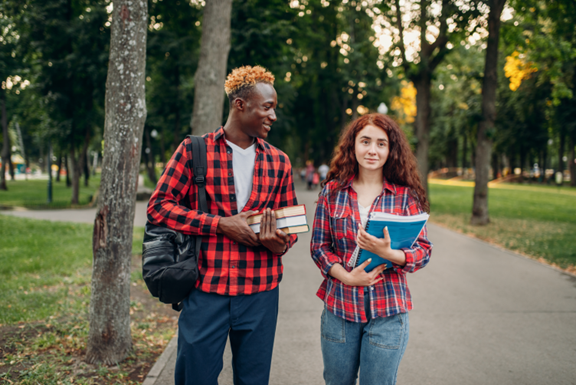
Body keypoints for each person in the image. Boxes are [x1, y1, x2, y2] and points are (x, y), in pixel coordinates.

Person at [147, 65, 299, 385]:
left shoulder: (279, 161)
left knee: (253, 380)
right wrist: (219, 224)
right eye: (267, 108)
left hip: (261, 292)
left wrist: (280, 242)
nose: (273, 116)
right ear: (240, 105)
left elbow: (290, 226)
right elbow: (159, 207)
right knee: (195, 378)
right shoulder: (194, 150)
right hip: (206, 290)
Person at [310, 113, 432, 385]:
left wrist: (391, 254)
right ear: (353, 144)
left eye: (381, 144)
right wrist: (347, 276)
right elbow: (319, 247)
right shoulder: (332, 192)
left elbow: (423, 251)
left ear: (391, 150)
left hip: (388, 312)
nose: (372, 150)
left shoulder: (405, 196)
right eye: (365, 141)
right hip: (340, 309)